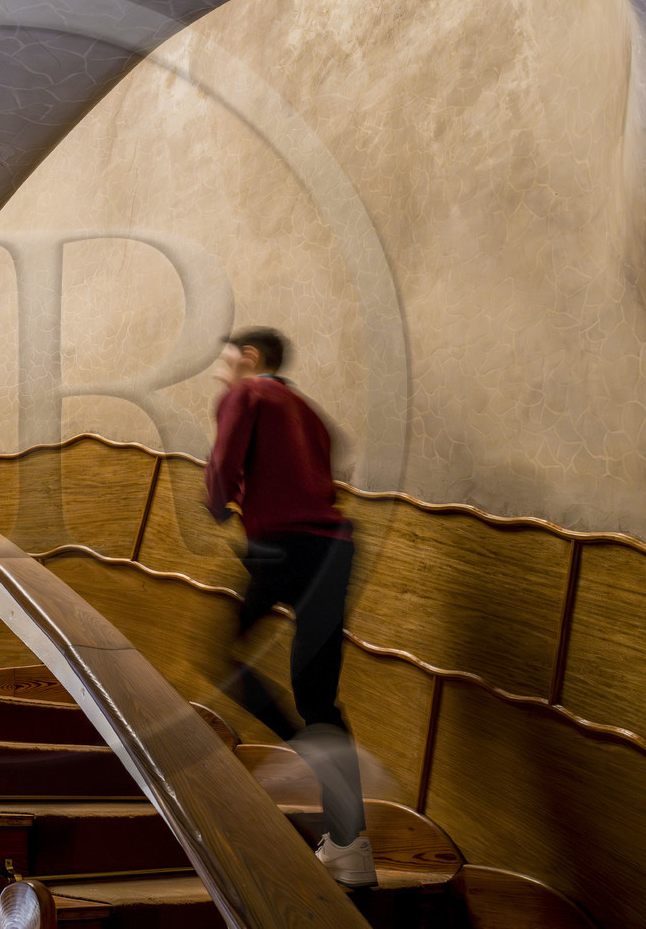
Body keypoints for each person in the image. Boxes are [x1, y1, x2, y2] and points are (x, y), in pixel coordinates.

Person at [204, 327, 375, 888]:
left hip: (285, 548)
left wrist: (220, 501)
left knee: (223, 658)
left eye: (227, 362)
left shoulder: (247, 395)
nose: (222, 373)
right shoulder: (308, 411)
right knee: (318, 695)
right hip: (337, 549)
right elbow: (329, 469)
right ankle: (349, 844)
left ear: (251, 359)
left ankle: (304, 753)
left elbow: (220, 480)